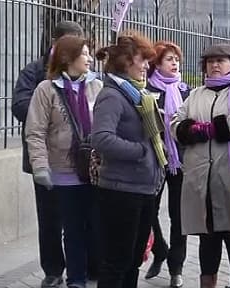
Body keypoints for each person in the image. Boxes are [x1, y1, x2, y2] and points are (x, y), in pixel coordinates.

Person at [170, 43, 230, 288]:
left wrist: (209, 128)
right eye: (210, 61)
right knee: (208, 237)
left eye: (221, 61)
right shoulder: (196, 94)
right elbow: (175, 123)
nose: (214, 65)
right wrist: (188, 130)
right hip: (202, 178)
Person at [12, 21, 94, 288]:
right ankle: (53, 269)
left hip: (83, 164)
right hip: (47, 160)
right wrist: (48, 115)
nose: (85, 54)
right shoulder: (35, 72)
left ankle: (82, 270)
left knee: (81, 223)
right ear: (58, 43)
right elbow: (21, 106)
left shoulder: (92, 80)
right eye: (73, 42)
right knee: (50, 220)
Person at [91, 33, 165, 288]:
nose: (146, 66)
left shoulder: (136, 94)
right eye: (143, 60)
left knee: (133, 260)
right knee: (117, 262)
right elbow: (101, 138)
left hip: (143, 188)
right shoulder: (112, 96)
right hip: (121, 191)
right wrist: (140, 151)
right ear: (125, 61)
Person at [144, 41, 190, 288]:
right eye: (169, 59)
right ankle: (159, 250)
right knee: (148, 211)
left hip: (181, 162)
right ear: (157, 63)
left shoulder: (185, 90)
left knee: (178, 216)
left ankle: (177, 266)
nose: (174, 63)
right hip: (155, 160)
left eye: (176, 59)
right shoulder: (148, 89)